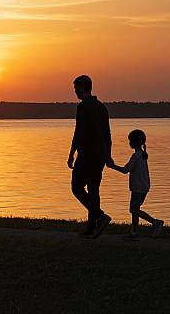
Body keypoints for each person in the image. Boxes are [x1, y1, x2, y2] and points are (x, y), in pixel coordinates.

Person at [67, 75, 113, 238]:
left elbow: (78, 131)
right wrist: (108, 155)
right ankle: (92, 227)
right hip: (99, 155)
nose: (75, 92)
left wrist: (72, 153)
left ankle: (99, 217)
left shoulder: (83, 107)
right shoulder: (102, 107)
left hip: (87, 154)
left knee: (77, 187)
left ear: (82, 87)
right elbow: (107, 134)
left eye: (76, 89)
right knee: (94, 189)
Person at [107, 129, 164, 239]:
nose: (129, 143)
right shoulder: (142, 154)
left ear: (134, 142)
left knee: (134, 209)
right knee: (135, 209)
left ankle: (155, 222)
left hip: (138, 187)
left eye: (130, 141)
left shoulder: (136, 156)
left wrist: (112, 166)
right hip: (142, 186)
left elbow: (125, 170)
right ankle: (134, 232)